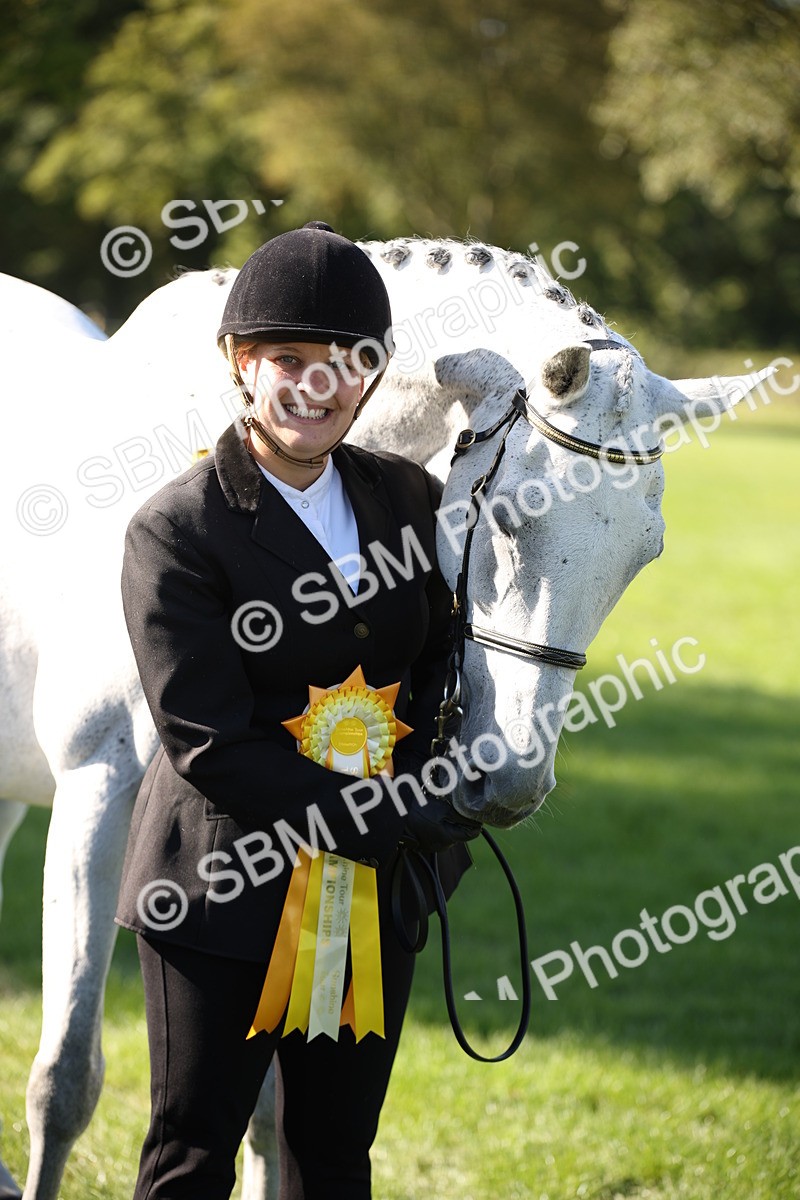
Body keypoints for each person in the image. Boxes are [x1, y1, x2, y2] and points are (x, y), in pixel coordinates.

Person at [115, 220, 480, 1199]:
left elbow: (440, 658)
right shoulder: (175, 529)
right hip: (225, 885)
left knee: (331, 1156)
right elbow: (208, 742)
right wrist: (395, 815)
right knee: (192, 1155)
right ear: (240, 364)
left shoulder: (407, 498)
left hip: (369, 896)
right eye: (288, 359)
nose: (315, 386)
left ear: (372, 375)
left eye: (343, 361)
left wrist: (458, 766)